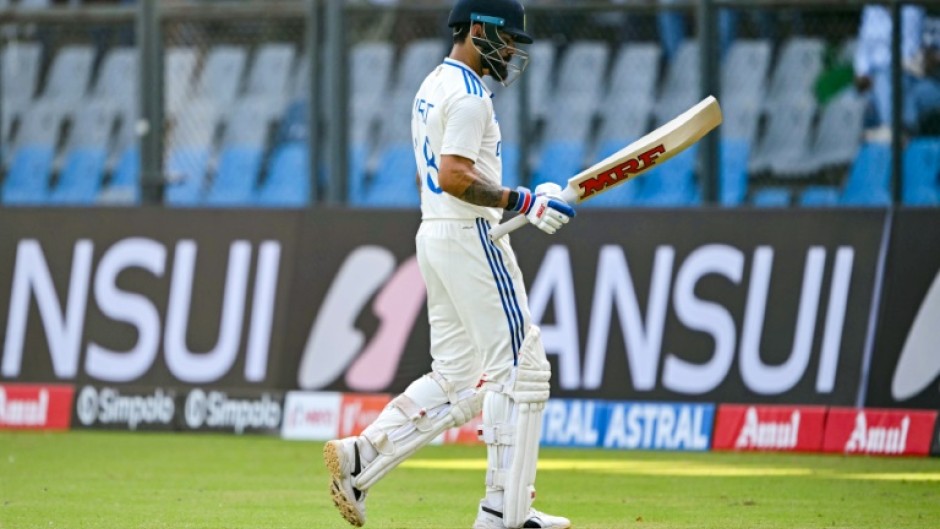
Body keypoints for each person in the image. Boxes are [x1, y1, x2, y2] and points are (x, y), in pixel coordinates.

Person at [322, 1, 576, 528]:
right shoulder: (468, 97)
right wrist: (523, 202)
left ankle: (363, 457)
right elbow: (457, 175)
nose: (510, 52)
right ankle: (505, 513)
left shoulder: (434, 84)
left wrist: (521, 196)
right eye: (506, 40)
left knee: (459, 378)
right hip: (470, 237)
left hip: (436, 233)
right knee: (522, 372)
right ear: (480, 30)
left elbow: (434, 178)